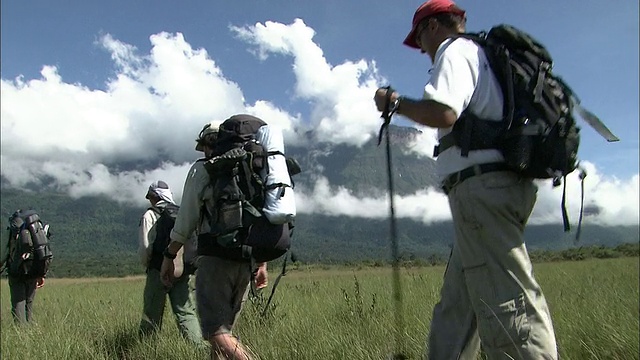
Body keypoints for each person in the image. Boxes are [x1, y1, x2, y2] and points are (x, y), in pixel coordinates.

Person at [373, 1, 558, 359]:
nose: (423, 50)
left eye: (419, 40)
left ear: (431, 28)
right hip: (492, 189)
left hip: (481, 192)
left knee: (508, 304)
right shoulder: (484, 57)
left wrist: (395, 103)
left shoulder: (454, 51)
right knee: (457, 308)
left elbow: (443, 112)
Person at [160, 121, 268, 360]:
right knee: (224, 332)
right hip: (247, 259)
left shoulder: (205, 169)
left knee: (215, 333)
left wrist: (170, 255)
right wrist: (261, 263)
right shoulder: (251, 167)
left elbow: (185, 219)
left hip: (216, 258)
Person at [138, 180, 202, 345]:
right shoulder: (180, 213)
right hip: (182, 270)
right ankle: (200, 349)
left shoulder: (150, 215)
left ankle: (147, 349)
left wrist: (149, 266)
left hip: (158, 270)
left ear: (153, 196)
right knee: (186, 313)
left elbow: (146, 247)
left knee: (151, 315)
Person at [1, 211, 46, 324]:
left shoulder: (12, 230)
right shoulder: (34, 230)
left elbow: (3, 253)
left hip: (16, 272)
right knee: (29, 306)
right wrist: (41, 274)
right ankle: (29, 333)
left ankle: (21, 334)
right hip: (33, 271)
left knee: (18, 306)